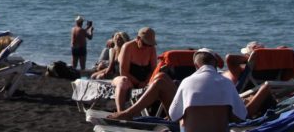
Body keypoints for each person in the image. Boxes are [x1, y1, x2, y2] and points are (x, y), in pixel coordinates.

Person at [109, 48, 274, 128]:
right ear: (215, 65)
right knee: (161, 79)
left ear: (196, 65)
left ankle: (127, 113)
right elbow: (242, 117)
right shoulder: (227, 84)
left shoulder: (188, 81)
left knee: (160, 81)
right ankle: (128, 113)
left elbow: (173, 117)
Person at [113, 27, 158, 112]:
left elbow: (153, 70)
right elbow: (123, 72)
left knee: (160, 79)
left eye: (150, 45)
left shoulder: (151, 49)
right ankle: (120, 112)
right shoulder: (128, 47)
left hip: (144, 80)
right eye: (145, 44)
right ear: (138, 39)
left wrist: (145, 82)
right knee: (123, 81)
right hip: (128, 78)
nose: (147, 47)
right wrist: (138, 83)